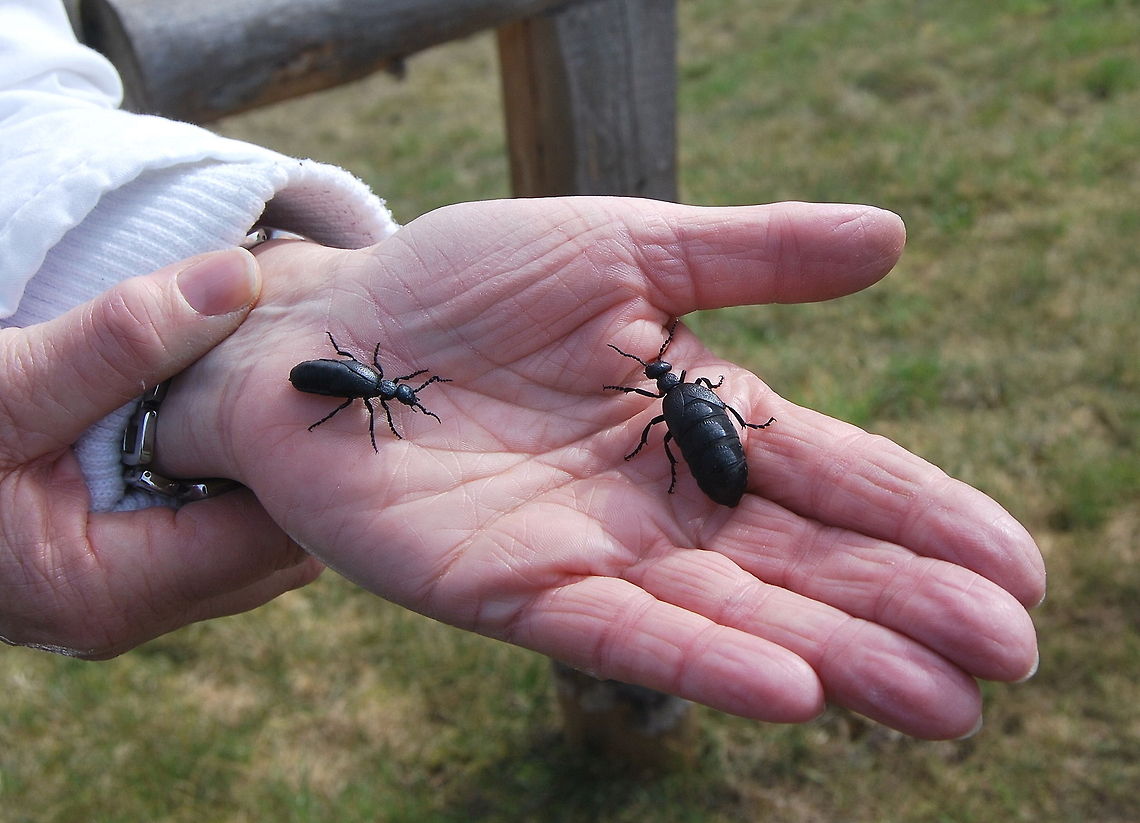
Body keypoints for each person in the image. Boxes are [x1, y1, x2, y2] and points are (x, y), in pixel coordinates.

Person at [0, 1, 1045, 741]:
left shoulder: (667, 410)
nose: (673, 398)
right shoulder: (667, 408)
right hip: (296, 359)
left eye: (671, 394)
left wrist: (207, 273)